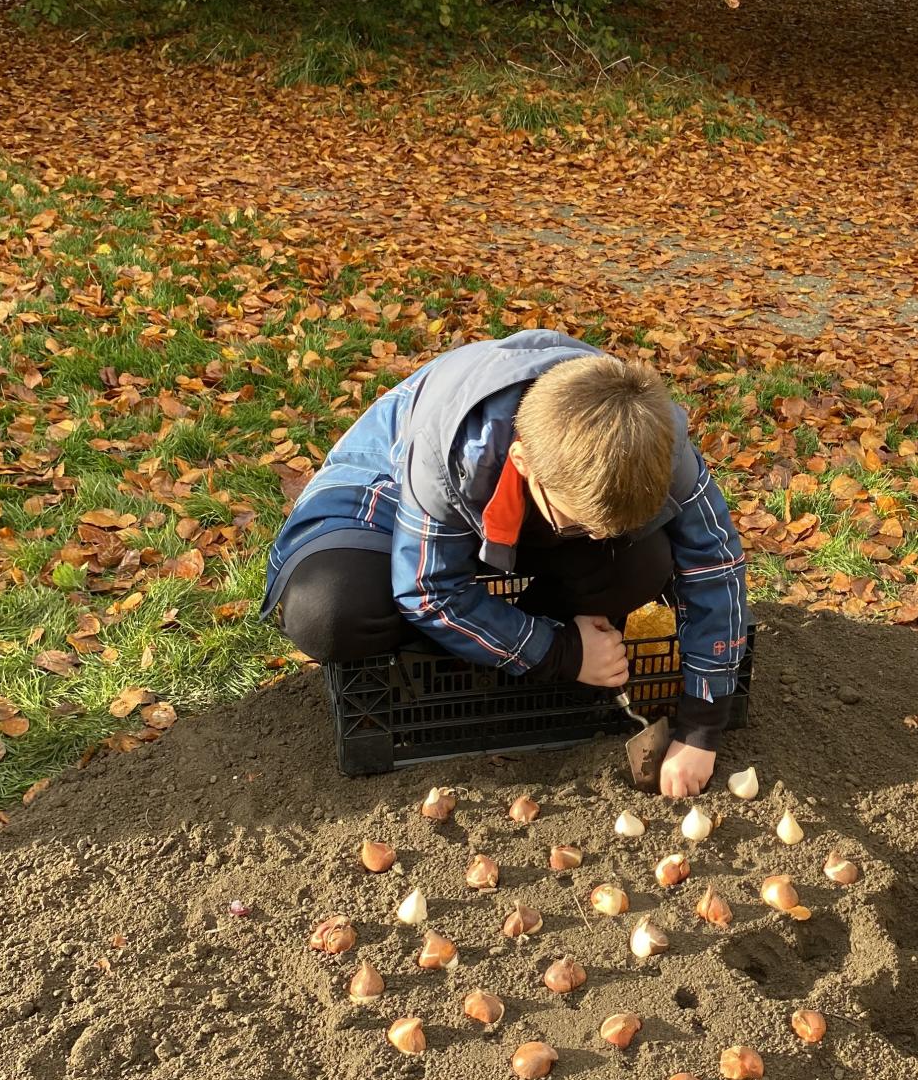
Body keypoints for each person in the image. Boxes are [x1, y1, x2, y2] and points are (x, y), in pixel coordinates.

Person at [263, 330, 750, 795]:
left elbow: (714, 563)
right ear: (521, 461)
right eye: (582, 524)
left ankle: (509, 649)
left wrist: (703, 726)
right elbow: (428, 589)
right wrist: (558, 651)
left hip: (528, 515)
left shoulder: (654, 442)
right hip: (388, 497)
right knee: (329, 610)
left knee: (641, 561)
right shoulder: (454, 448)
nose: (597, 538)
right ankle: (468, 665)